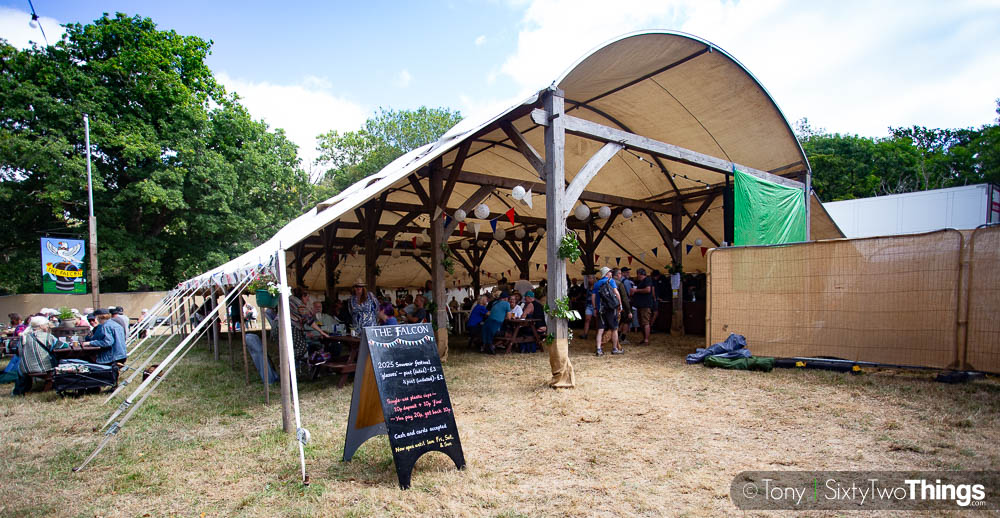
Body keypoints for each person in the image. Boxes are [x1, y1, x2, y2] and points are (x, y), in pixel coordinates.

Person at [12, 316, 58, 395]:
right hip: (44, 368)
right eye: (46, 324)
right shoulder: (47, 336)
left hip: (25, 369)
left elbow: (18, 353)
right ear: (41, 326)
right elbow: (62, 346)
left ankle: (19, 390)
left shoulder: (23, 337)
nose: (48, 326)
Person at [592, 266, 622, 356]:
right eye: (610, 272)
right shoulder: (611, 281)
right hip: (611, 308)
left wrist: (594, 308)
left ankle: (598, 349)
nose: (611, 273)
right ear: (607, 273)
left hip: (601, 309)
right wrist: (620, 304)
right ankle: (614, 349)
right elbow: (616, 293)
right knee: (614, 329)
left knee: (600, 330)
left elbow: (593, 297)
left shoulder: (597, 284)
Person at [630, 268, 655, 345]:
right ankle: (644, 338)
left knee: (645, 322)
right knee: (642, 323)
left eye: (637, 274)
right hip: (640, 305)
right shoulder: (641, 282)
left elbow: (648, 290)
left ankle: (646, 340)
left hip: (645, 305)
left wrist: (636, 291)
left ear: (640, 274)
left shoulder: (647, 280)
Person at [614, 268, 633, 344]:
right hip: (623, 305)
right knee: (626, 321)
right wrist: (628, 310)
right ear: (619, 274)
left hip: (614, 306)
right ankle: (622, 338)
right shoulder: (622, 283)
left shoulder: (609, 282)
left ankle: (617, 338)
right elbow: (626, 297)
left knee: (619, 322)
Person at [580, 274, 596, 339]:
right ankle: (585, 334)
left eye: (590, 278)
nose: (589, 280)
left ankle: (597, 334)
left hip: (595, 306)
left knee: (596, 321)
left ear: (593, 279)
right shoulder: (588, 287)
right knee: (587, 319)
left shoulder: (596, 286)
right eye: (588, 278)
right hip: (589, 305)